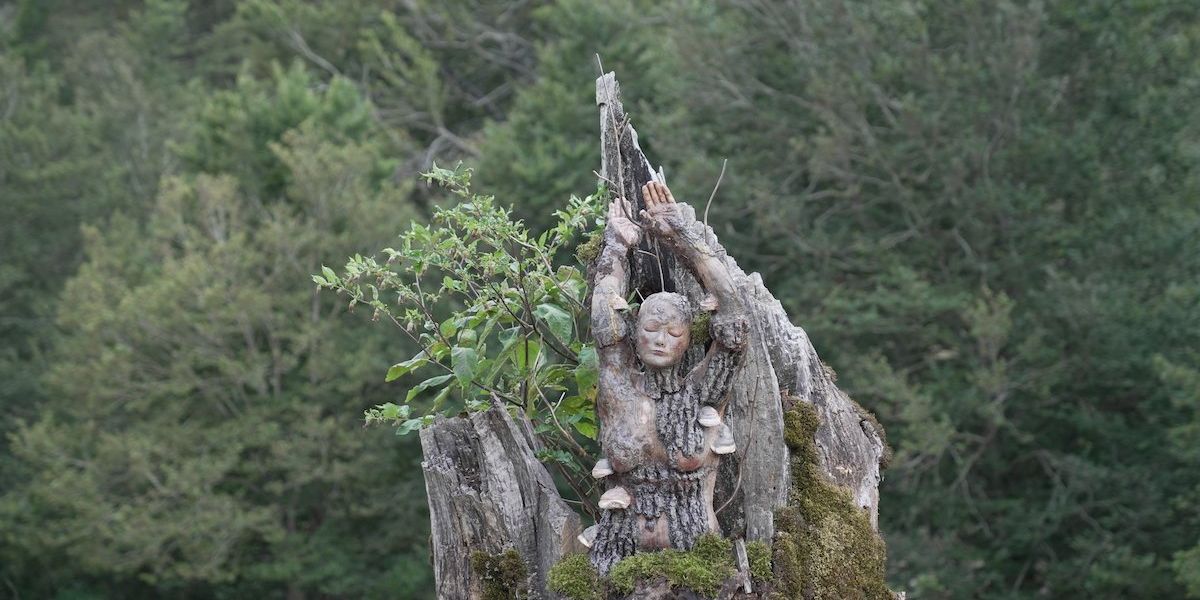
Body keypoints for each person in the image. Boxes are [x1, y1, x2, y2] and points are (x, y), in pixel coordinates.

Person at [586, 181, 749, 573]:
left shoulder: (702, 392)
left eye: (674, 333)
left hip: (697, 562)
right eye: (651, 329)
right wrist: (616, 246)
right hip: (617, 558)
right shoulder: (618, 385)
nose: (660, 340)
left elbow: (734, 317)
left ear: (688, 340)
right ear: (635, 334)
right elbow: (603, 321)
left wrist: (680, 233)